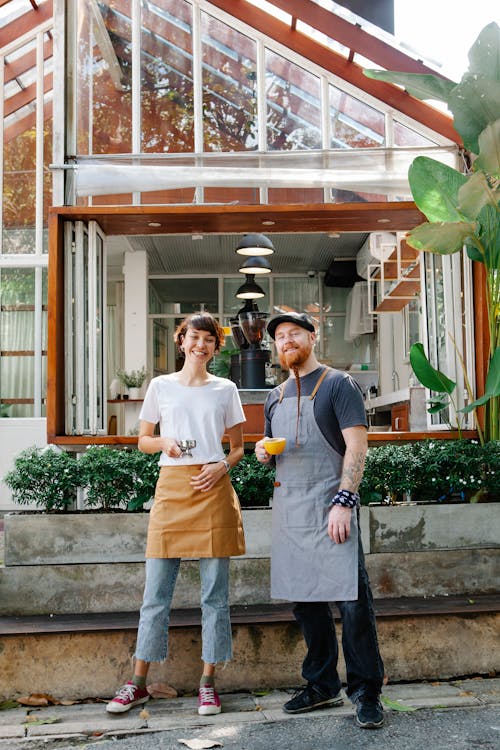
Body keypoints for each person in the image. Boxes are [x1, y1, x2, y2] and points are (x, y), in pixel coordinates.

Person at [106, 312, 246, 717]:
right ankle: (137, 683)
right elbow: (143, 440)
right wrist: (163, 441)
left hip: (212, 488)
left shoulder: (226, 389)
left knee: (215, 597)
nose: (200, 345)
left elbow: (237, 447)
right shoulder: (160, 386)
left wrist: (222, 465)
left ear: (216, 348)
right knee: (155, 596)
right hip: (171, 489)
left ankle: (208, 684)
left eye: (209, 340)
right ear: (181, 342)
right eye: (194, 338)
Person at [255, 311, 385, 729]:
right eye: (279, 337)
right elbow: (278, 451)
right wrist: (262, 452)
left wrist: (344, 500)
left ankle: (366, 690)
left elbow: (357, 448)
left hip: (332, 506)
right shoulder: (273, 397)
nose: (286, 341)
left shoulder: (338, 385)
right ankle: (321, 683)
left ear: (313, 338)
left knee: (351, 602)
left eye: (294, 333)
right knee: (305, 601)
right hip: (291, 509)